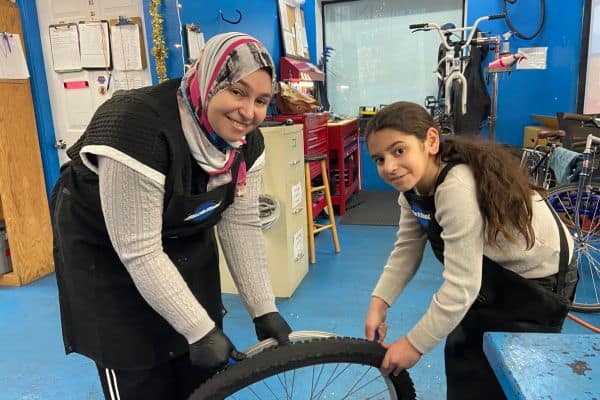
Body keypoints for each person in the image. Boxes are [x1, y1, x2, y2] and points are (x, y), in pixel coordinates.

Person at [50, 32, 292, 400]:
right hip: (108, 251)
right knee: (140, 365)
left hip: (181, 233)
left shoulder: (246, 142)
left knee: (197, 362)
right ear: (208, 81)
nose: (249, 112)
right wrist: (199, 330)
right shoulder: (137, 127)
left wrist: (262, 308)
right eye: (237, 92)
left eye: (261, 100)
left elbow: (240, 223)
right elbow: (139, 250)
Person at [363, 101, 578, 399]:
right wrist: (379, 303)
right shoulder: (411, 192)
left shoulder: (455, 187)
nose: (389, 167)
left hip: (537, 281)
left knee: (499, 377)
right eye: (379, 159)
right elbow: (406, 251)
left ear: (431, 142)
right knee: (464, 353)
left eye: (399, 151)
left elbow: (462, 286)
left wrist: (413, 345)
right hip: (494, 276)